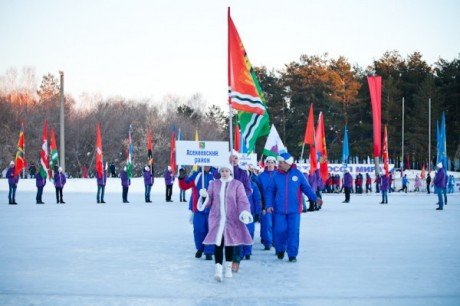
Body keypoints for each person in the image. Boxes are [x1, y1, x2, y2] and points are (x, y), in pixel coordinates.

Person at [198, 164, 253, 282]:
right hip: (217, 219)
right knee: (218, 243)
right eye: (222, 171)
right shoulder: (214, 184)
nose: (224, 173)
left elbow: (242, 200)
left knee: (230, 243)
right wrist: (204, 196)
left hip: (231, 219)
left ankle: (228, 267)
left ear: (230, 172)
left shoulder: (237, 184)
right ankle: (218, 269)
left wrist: (244, 212)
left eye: (226, 170)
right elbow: (209, 201)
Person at [266, 152, 322, 262]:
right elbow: (270, 191)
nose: (279, 164)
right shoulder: (276, 175)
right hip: (279, 210)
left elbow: (306, 188)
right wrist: (269, 204)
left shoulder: (298, 174)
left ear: (288, 163)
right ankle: (280, 249)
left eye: (281, 162)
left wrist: (315, 198)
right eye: (279, 162)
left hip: (294, 210)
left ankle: (292, 254)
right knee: (279, 231)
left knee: (293, 232)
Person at [178, 166, 216, 260]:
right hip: (198, 209)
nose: (206, 166)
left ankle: (209, 251)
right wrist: (182, 178)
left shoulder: (216, 175)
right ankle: (200, 248)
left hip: (212, 209)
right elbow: (184, 186)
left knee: (211, 230)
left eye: (208, 165)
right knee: (199, 231)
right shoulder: (196, 175)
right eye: (204, 165)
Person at [257, 156, 277, 251]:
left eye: (272, 162)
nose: (270, 164)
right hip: (265, 203)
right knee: (267, 223)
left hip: (277, 204)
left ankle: (275, 241)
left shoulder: (278, 175)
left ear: (275, 163)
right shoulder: (261, 176)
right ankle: (268, 242)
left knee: (276, 224)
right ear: (266, 163)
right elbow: (259, 191)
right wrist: (262, 206)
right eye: (268, 162)